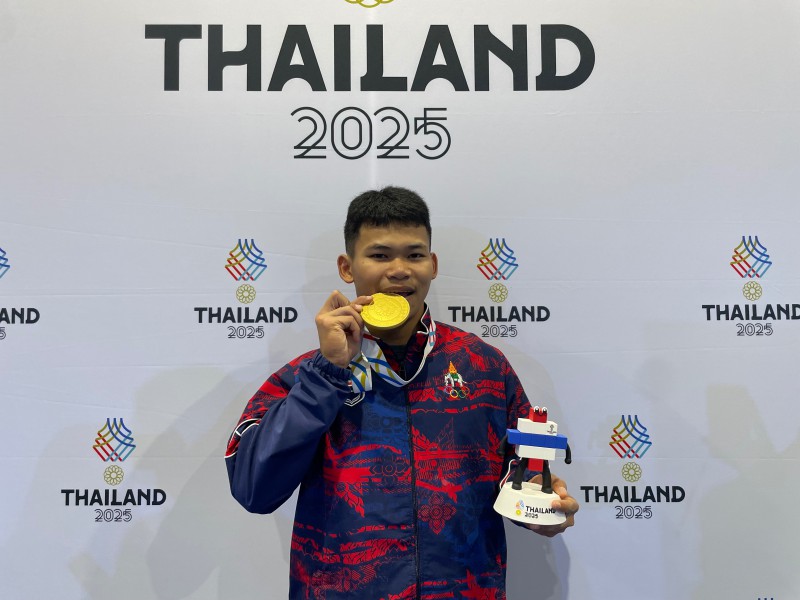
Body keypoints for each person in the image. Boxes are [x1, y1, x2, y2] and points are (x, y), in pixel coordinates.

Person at [225, 186, 579, 599]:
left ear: (433, 264)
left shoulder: (482, 366)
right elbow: (254, 489)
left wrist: (541, 507)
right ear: (346, 267)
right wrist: (327, 374)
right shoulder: (309, 376)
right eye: (379, 255)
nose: (399, 270)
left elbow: (518, 471)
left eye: (414, 255)